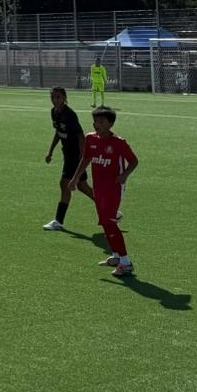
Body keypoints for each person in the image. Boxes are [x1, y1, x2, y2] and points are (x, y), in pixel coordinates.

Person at [72, 107, 139, 277]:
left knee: (109, 223)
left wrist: (124, 175)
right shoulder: (90, 138)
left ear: (110, 124)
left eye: (101, 122)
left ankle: (126, 263)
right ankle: (116, 256)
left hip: (114, 188)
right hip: (99, 188)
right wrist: (75, 179)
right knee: (105, 222)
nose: (97, 124)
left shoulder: (119, 143)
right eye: (95, 121)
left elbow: (133, 161)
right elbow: (86, 158)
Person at [41, 86, 93, 231]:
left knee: (64, 184)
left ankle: (58, 221)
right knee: (82, 187)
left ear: (64, 98)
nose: (55, 100)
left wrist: (82, 157)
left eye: (58, 97)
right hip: (67, 154)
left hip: (75, 155)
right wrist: (50, 151)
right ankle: (111, 211)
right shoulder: (54, 112)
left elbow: (81, 137)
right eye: (53, 97)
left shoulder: (70, 115)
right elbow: (58, 132)